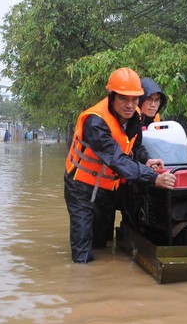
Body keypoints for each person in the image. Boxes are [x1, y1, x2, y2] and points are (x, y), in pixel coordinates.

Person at [64, 67, 176, 263]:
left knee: (100, 243)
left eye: (134, 99)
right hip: (81, 187)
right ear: (111, 96)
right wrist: (154, 177)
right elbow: (116, 159)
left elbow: (135, 147)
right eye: (123, 98)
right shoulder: (95, 122)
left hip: (107, 188)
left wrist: (145, 160)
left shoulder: (135, 117)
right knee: (82, 251)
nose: (130, 105)